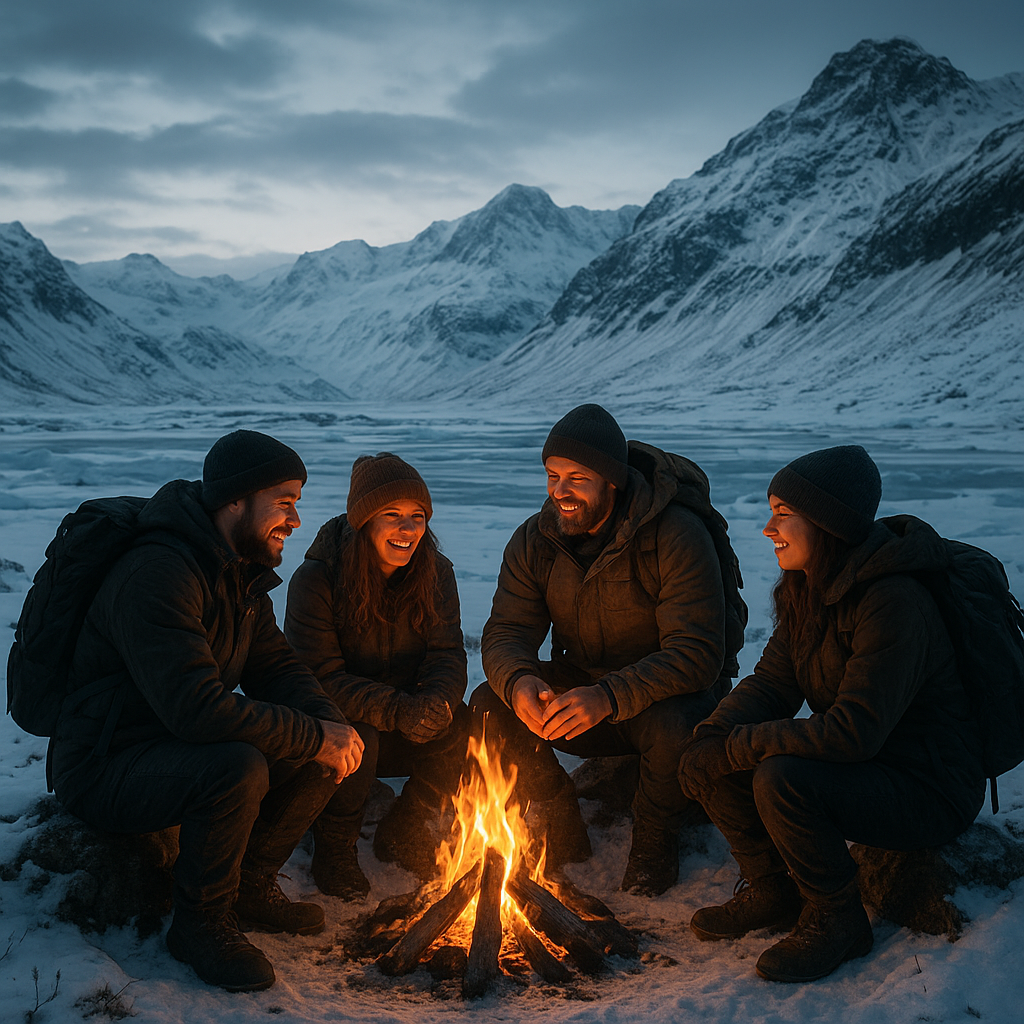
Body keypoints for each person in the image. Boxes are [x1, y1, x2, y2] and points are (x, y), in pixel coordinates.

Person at [48, 430, 364, 994]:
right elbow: (197, 711)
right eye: (285, 502)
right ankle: (199, 925)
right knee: (238, 766)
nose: (295, 520)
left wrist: (330, 725)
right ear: (234, 501)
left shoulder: (236, 572)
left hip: (170, 747)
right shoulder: (158, 574)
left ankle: (249, 883)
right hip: (104, 762)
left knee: (326, 744)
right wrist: (313, 734)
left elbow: (278, 669)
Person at [678, 445, 986, 983]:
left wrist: (738, 745)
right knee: (714, 752)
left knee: (781, 776)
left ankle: (838, 918)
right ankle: (774, 888)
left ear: (827, 523)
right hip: (870, 767)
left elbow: (853, 733)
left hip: (929, 784)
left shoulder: (892, 601)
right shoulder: (809, 588)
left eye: (782, 513)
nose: (769, 527)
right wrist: (713, 735)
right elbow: (774, 682)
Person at [472, 404, 731, 896]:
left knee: (682, 723)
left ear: (611, 481)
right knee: (489, 702)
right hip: (581, 697)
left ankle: (655, 840)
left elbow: (697, 652)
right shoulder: (536, 538)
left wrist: (609, 696)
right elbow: (506, 631)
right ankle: (557, 810)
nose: (560, 493)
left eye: (577, 478)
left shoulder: (674, 535)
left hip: (658, 704)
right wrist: (521, 681)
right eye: (552, 476)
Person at [285, 452, 470, 899]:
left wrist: (436, 702)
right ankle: (334, 847)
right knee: (356, 733)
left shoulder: (436, 572)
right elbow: (318, 678)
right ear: (363, 520)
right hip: (339, 724)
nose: (408, 530)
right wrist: (396, 708)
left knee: (464, 721)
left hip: (407, 722)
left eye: (417, 517)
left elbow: (447, 653)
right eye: (393, 516)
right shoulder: (317, 580)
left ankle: (406, 827)